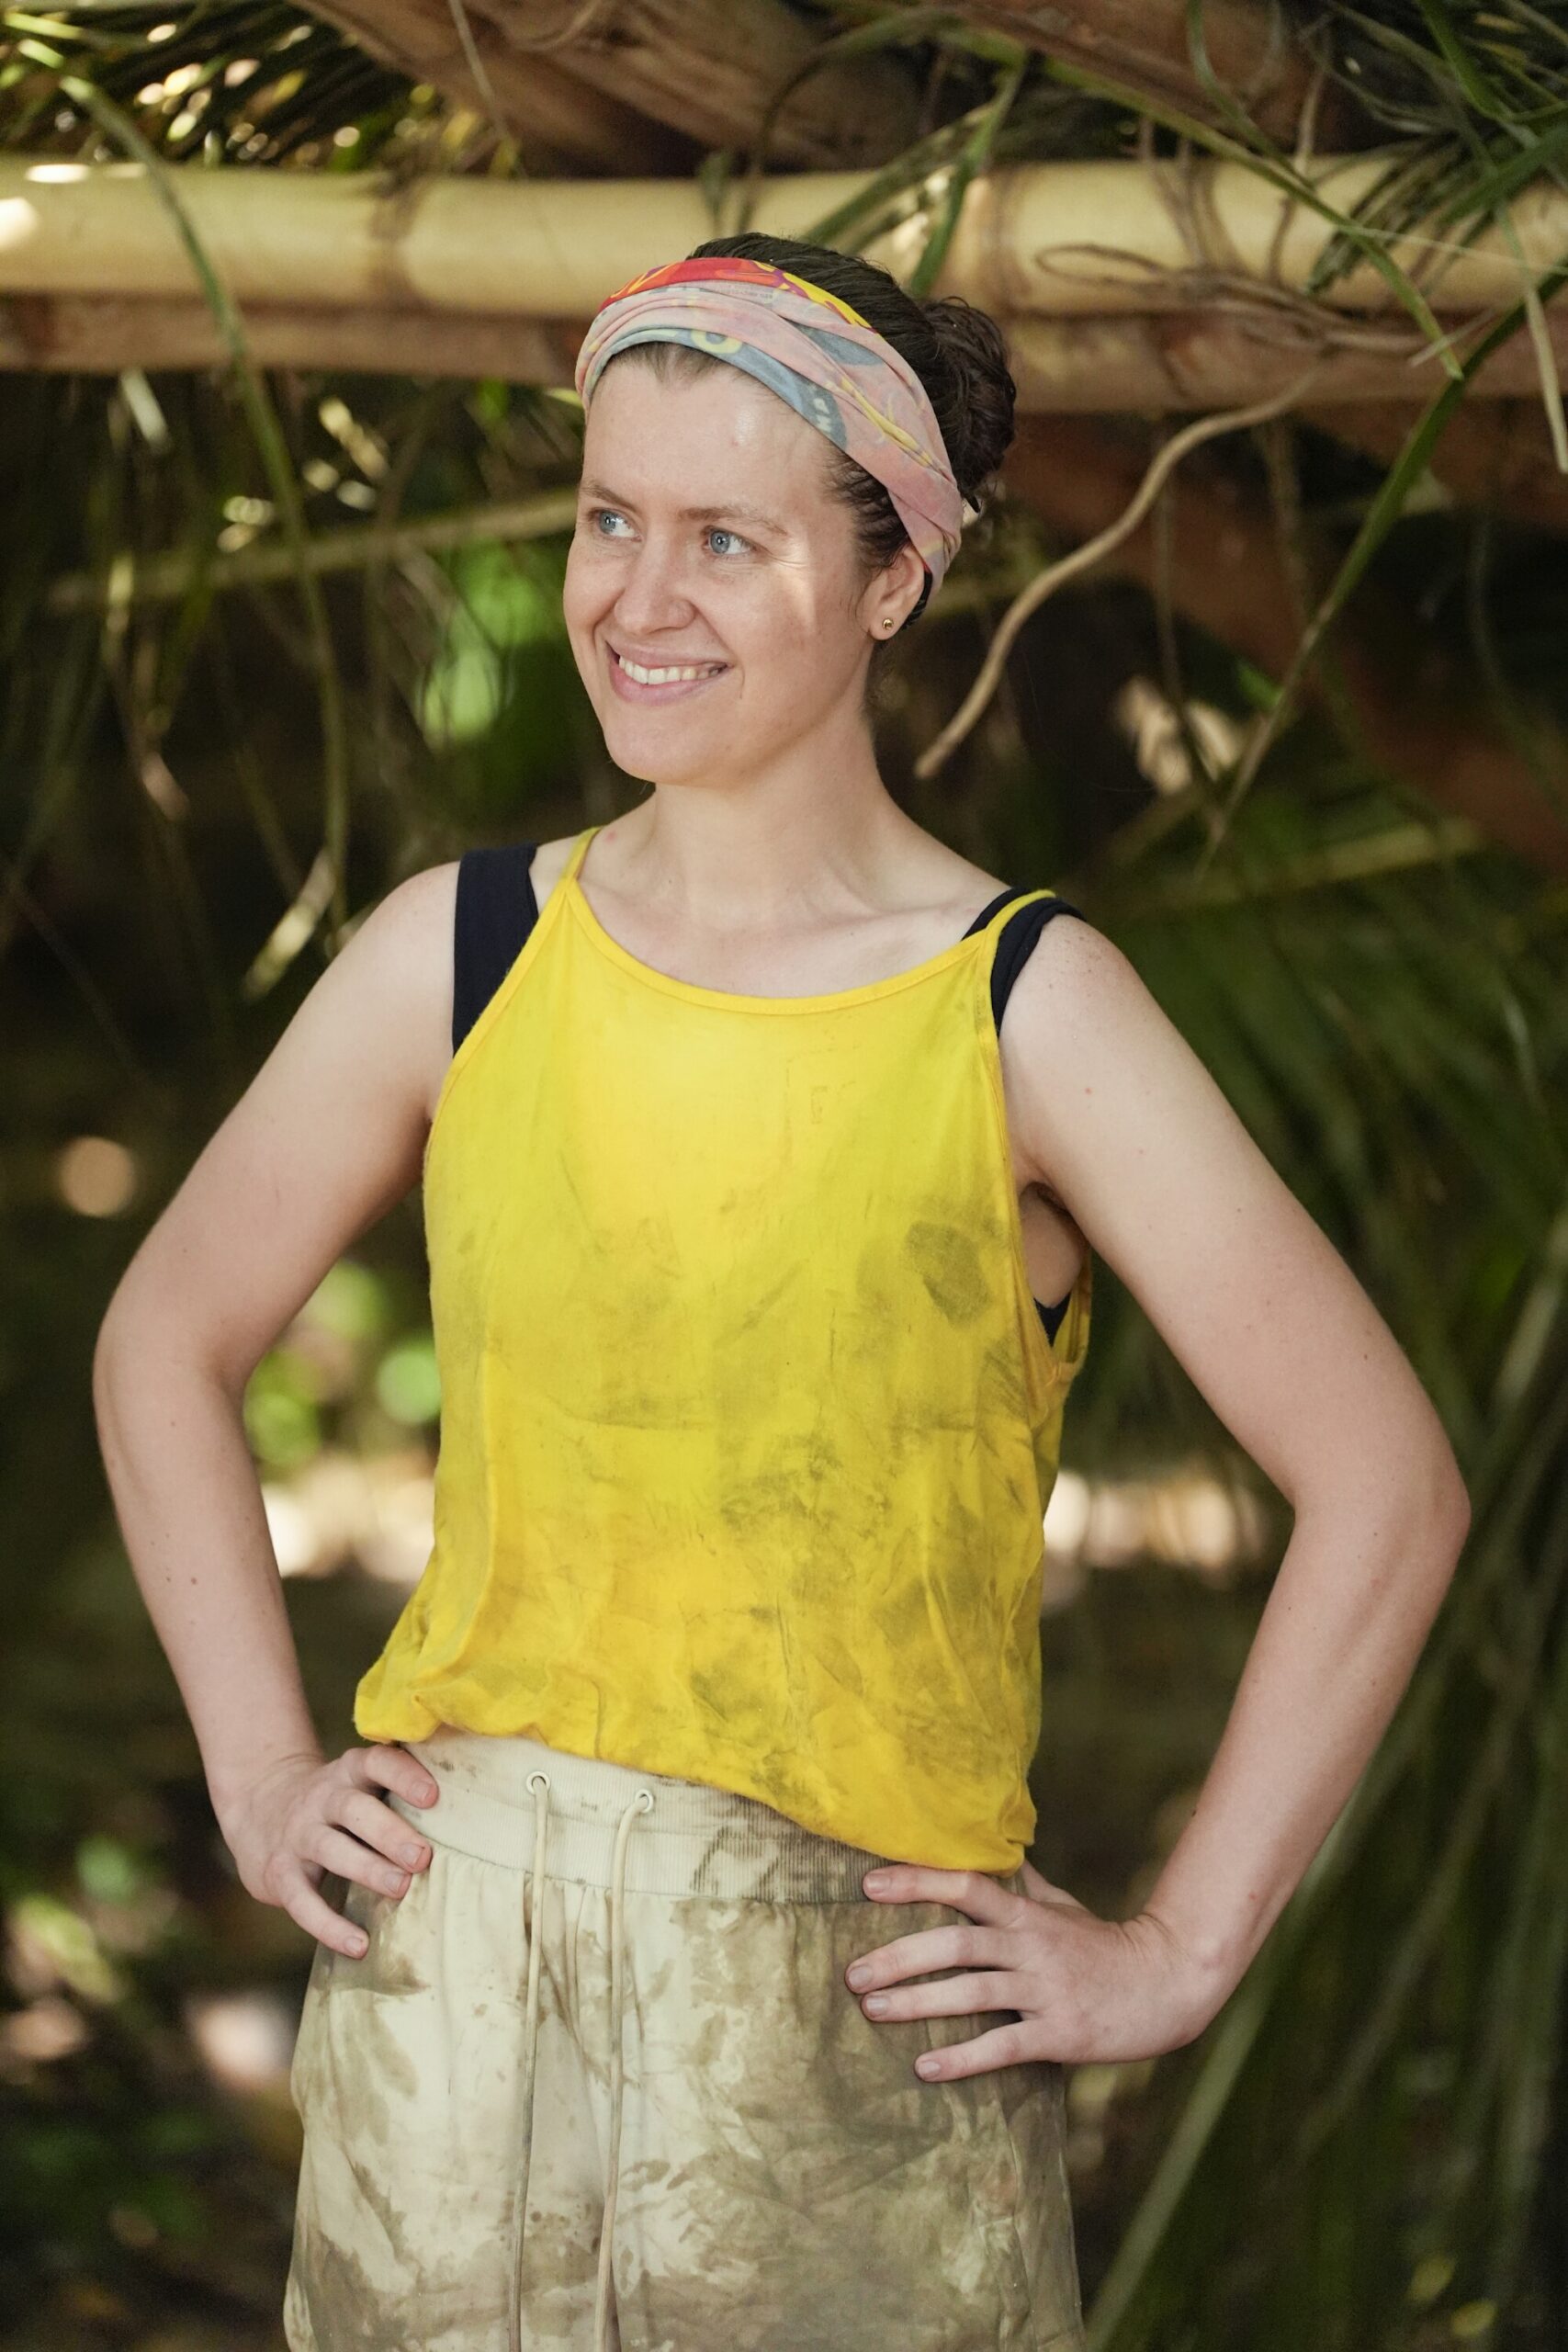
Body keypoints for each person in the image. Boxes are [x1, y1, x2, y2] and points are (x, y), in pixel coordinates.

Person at [93, 232, 1472, 2352]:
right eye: (608, 519)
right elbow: (163, 1337)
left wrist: (1178, 1946)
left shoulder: (1021, 1005)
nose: (637, 598)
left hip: (846, 2055)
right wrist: (264, 1773)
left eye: (726, 540)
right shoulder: (458, 952)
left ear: (891, 578)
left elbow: (1384, 1479)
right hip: (448, 2025)